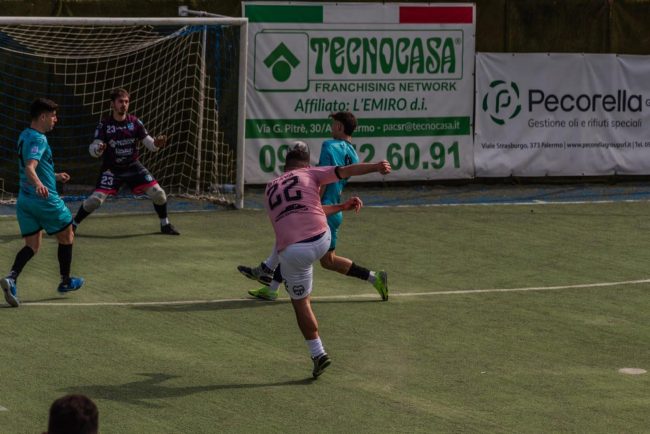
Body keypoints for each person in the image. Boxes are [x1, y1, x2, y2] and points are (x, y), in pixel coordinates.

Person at [264, 144, 391, 376]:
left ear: (285, 166)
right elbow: (347, 170)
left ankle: (318, 353)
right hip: (322, 236)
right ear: (307, 164)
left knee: (301, 303)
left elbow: (291, 215)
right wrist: (376, 167)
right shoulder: (311, 173)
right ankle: (373, 277)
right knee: (327, 260)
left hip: (294, 250)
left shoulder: (270, 187)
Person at [239, 112, 388, 301]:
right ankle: (375, 277)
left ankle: (268, 271)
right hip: (334, 210)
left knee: (291, 237)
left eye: (333, 124)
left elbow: (324, 179)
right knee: (328, 261)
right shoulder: (353, 155)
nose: (331, 128)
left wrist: (311, 201)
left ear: (339, 127)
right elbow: (343, 174)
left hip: (320, 206)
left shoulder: (329, 145)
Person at [1, 98, 84, 307]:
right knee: (68, 236)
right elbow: (30, 167)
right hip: (44, 200)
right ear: (43, 116)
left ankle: (11, 278)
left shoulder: (24, 135)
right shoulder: (40, 139)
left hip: (25, 201)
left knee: (32, 245)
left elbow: (32, 166)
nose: (56, 120)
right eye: (53, 116)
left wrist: (54, 176)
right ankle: (66, 281)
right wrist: (39, 184)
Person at [72, 88, 179, 235]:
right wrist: (98, 149)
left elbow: (150, 145)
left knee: (159, 194)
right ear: (112, 104)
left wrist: (156, 144)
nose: (124, 105)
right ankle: (73, 225)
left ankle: (165, 224)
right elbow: (93, 150)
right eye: (120, 101)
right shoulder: (104, 125)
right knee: (95, 200)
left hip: (133, 167)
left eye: (126, 102)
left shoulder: (135, 123)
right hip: (111, 169)